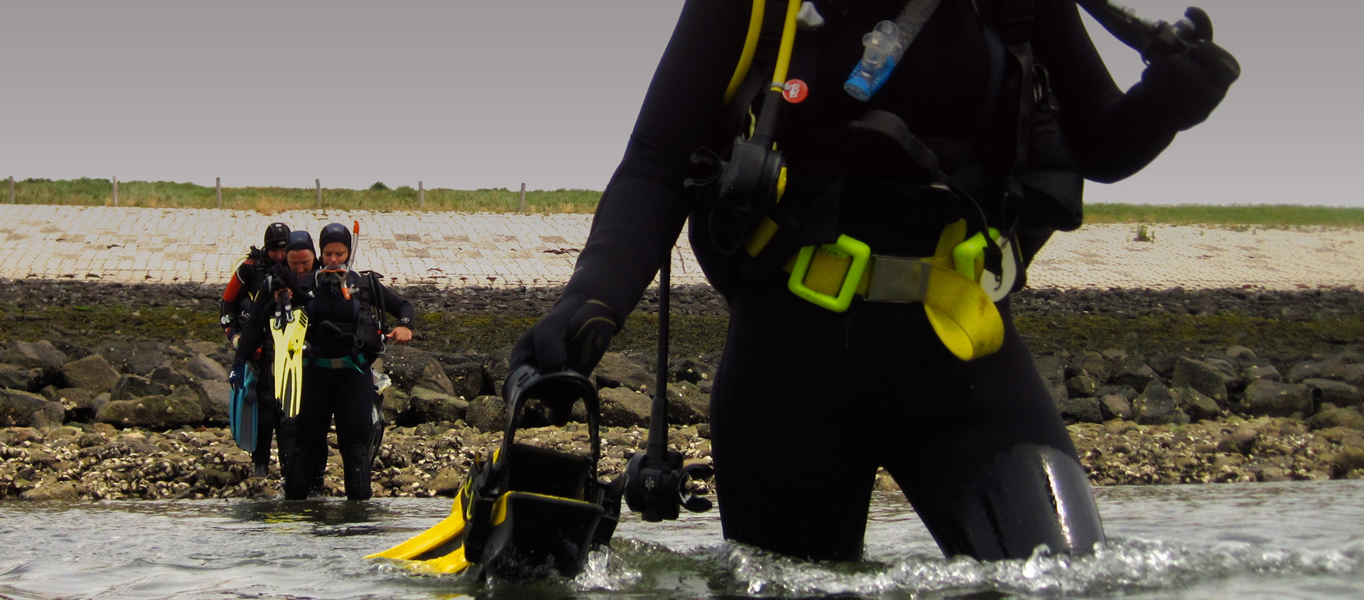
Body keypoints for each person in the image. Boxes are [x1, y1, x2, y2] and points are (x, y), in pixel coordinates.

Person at [511, 0, 1235, 562]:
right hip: (790, 372)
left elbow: (1099, 143)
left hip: (969, 362)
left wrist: (1169, 101)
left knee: (1068, 582)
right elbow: (658, 160)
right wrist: (592, 299)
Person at [233, 223, 416, 500]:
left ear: (348, 253)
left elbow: (404, 306)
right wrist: (239, 363)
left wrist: (405, 325)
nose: (333, 260)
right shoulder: (299, 284)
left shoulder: (363, 284)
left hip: (353, 377)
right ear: (321, 254)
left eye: (339, 254)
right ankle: (296, 510)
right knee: (305, 447)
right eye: (328, 254)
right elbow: (258, 323)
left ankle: (358, 516)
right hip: (314, 377)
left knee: (355, 449)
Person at [220, 222, 291, 478]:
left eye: (284, 251)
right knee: (265, 407)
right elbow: (227, 304)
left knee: (288, 410)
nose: (280, 256)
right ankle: (261, 463)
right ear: (266, 249)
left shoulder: (299, 266)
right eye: (275, 251)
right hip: (258, 349)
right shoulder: (249, 269)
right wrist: (234, 337)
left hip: (290, 351)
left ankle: (290, 465)